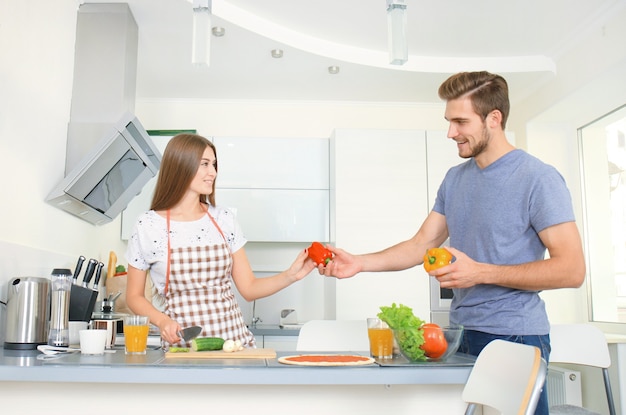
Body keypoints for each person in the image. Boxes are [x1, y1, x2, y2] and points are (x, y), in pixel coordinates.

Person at [319, 71, 585, 415]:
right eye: (448, 121)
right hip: (461, 334)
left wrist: (480, 273)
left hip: (515, 337)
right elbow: (420, 244)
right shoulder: (455, 179)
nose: (450, 132)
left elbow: (572, 269)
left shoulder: (538, 178)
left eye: (460, 121)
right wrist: (359, 262)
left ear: (494, 118)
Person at [125, 133, 316, 349]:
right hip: (183, 349)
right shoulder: (148, 225)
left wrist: (290, 275)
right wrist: (162, 321)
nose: (213, 173)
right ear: (180, 165)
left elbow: (249, 288)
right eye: (205, 164)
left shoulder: (223, 219)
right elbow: (134, 296)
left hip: (235, 345)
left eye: (214, 165)